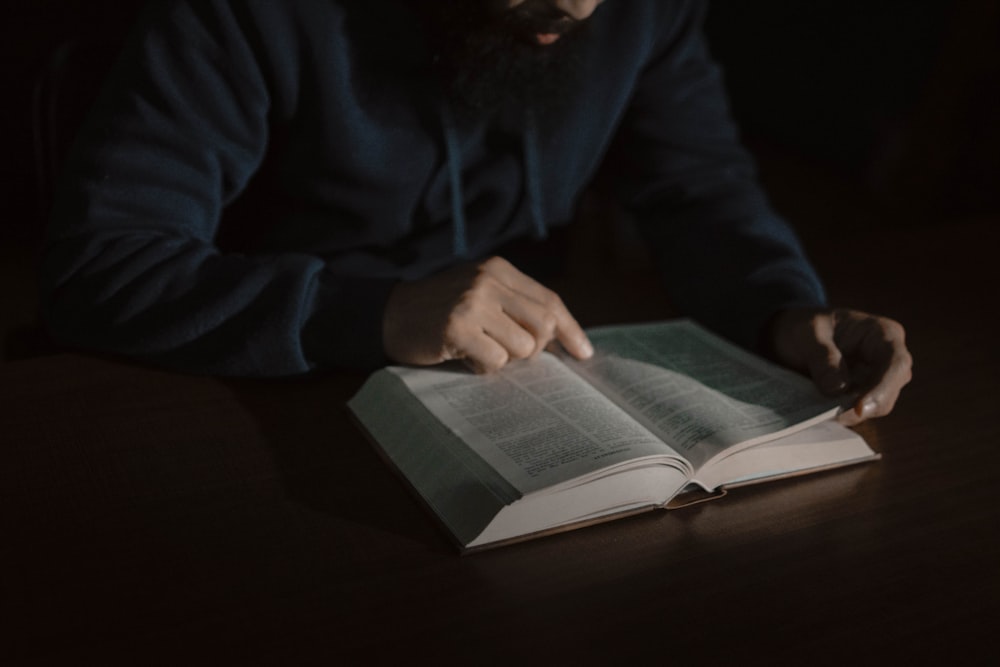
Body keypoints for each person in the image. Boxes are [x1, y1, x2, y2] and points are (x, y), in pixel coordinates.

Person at [41, 0, 911, 424]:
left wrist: (788, 311)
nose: (571, 15)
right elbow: (103, 264)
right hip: (267, 386)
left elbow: (702, 189)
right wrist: (373, 309)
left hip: (527, 390)